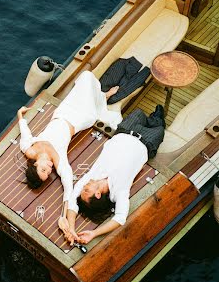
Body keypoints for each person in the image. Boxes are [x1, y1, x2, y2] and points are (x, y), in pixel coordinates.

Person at [17, 70, 121, 223]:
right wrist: (63, 217)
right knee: (88, 86)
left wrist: (20, 115)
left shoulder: (29, 149)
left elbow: (25, 132)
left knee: (86, 75)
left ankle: (101, 97)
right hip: (80, 119)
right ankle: (103, 97)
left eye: (44, 169)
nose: (50, 167)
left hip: (62, 112)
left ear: (35, 164)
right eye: (49, 172)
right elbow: (68, 190)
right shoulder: (59, 160)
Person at [60, 105, 166, 245]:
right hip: (147, 141)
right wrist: (94, 233)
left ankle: (153, 117)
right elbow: (121, 218)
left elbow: (72, 200)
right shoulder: (119, 191)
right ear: (97, 194)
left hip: (125, 130)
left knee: (139, 111)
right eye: (86, 190)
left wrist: (72, 229)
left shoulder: (92, 177)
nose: (84, 185)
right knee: (159, 126)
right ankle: (157, 117)